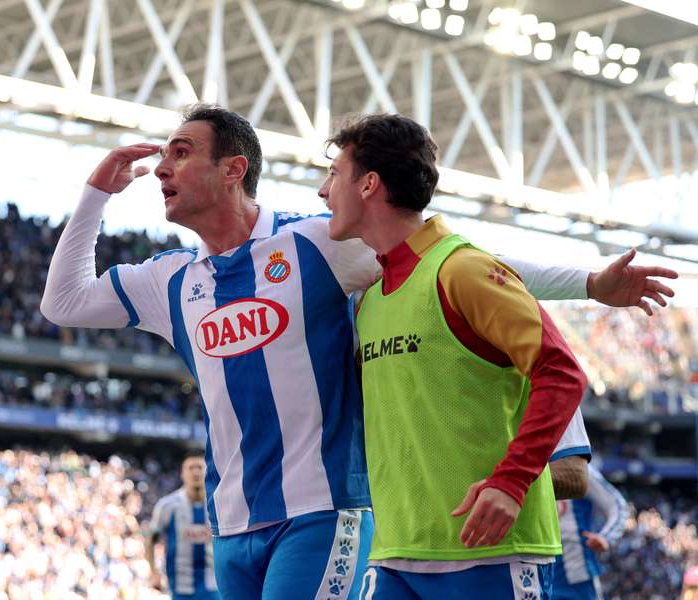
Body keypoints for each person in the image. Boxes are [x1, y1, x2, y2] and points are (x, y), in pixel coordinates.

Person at [40, 104, 677, 598]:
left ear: (233, 169)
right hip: (230, 524)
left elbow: (469, 265)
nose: (162, 168)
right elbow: (62, 303)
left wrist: (590, 283)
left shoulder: (318, 243)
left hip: (323, 513)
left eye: (182, 152)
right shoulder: (169, 280)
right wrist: (96, 192)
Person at [318, 112, 599, 597]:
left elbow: (562, 372)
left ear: (368, 184)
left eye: (333, 175)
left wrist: (511, 482)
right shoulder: (370, 301)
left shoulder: (462, 270)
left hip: (492, 554)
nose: (323, 192)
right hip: (396, 555)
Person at [147, 450, 219, 600]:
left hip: (213, 583)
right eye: (190, 468)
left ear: (207, 470)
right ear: (182, 473)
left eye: (199, 467)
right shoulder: (167, 505)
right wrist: (154, 572)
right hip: (180, 585)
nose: (195, 472)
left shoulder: (218, 504)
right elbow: (150, 541)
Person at [553, 464, 630, 600]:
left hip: (577, 578)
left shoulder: (577, 467)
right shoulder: (523, 463)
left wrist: (606, 537)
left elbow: (617, 505)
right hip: (534, 572)